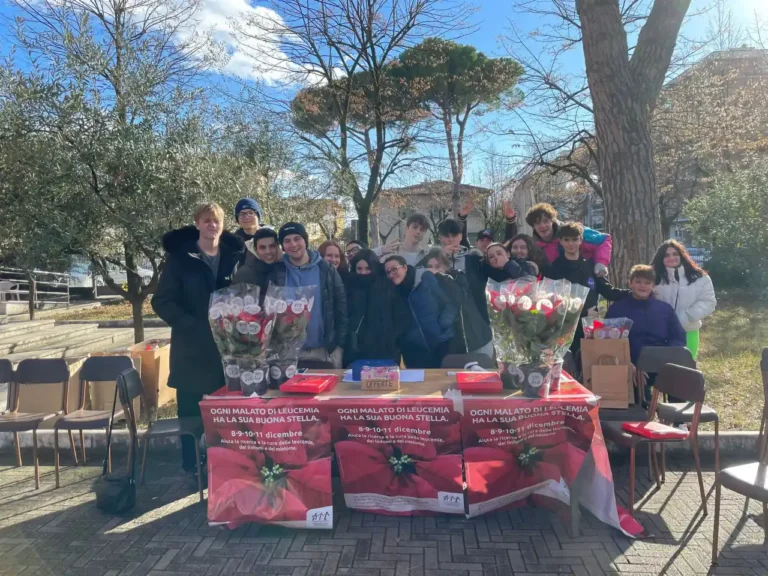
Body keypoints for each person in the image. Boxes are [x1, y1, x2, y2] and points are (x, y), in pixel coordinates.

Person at [151, 202, 244, 481]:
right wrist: (190, 324)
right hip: (191, 351)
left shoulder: (234, 257)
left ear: (222, 225)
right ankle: (192, 467)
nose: (211, 226)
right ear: (197, 224)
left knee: (227, 414)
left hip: (228, 351)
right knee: (192, 412)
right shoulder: (181, 258)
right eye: (206, 221)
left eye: (216, 221)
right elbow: (162, 301)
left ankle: (226, 466)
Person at [262, 222, 348, 368]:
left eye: (297, 239)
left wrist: (338, 346)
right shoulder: (277, 272)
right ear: (282, 246)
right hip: (287, 353)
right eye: (287, 241)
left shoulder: (326, 270)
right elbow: (267, 311)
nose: (293, 244)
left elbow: (341, 307)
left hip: (324, 351)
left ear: (305, 241)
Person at [548, 222, 630, 355]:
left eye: (575, 239)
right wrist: (584, 313)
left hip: (590, 328)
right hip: (564, 330)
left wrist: (634, 293)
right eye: (567, 240)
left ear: (581, 240)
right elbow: (553, 304)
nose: (571, 244)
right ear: (560, 242)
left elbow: (609, 291)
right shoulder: (554, 269)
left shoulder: (591, 266)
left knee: (589, 368)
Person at [436, 218, 533, 324]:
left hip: (475, 319)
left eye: (454, 235)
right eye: (447, 236)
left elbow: (503, 278)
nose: (451, 240)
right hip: (445, 318)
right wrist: (440, 260)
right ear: (441, 238)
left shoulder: (475, 260)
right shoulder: (432, 259)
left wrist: (507, 263)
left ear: (460, 236)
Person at [606, 265, 687, 366]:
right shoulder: (616, 310)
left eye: (647, 283)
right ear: (630, 283)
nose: (643, 286)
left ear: (653, 286)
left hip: (661, 366)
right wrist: (626, 363)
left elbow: (678, 338)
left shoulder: (665, 309)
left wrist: (666, 359)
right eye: (638, 282)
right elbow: (607, 342)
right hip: (626, 366)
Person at [385, 255, 457, 368]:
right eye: (388, 272)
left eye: (394, 269)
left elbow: (448, 302)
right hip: (415, 350)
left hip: (442, 343)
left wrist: (443, 324)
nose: (391, 274)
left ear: (405, 267)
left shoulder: (425, 279)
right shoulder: (393, 293)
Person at [651, 240, 716, 359]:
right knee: (662, 369)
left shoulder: (700, 277)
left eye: (675, 254)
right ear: (661, 258)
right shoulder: (653, 278)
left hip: (688, 330)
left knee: (687, 369)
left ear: (681, 255)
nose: (671, 257)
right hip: (661, 333)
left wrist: (688, 316)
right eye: (666, 255)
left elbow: (709, 301)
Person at [424, 248, 494, 359]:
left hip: (478, 341)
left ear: (446, 267)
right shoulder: (427, 287)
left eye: (437, 267)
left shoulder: (457, 277)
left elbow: (459, 298)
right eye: (430, 267)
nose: (433, 271)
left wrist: (441, 277)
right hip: (452, 349)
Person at [345, 249, 410, 365]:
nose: (363, 273)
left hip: (384, 350)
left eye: (367, 268)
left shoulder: (386, 286)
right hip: (355, 350)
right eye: (359, 269)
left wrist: (391, 339)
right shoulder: (348, 286)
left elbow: (401, 316)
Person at [525, 202, 612, 275]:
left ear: (552, 221)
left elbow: (603, 240)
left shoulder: (572, 231)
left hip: (585, 279)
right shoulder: (533, 246)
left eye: (545, 221)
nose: (542, 226)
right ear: (533, 226)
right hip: (558, 286)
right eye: (537, 223)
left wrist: (600, 263)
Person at [232, 228, 281, 300]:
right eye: (262, 248)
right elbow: (236, 303)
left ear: (278, 246)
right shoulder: (245, 273)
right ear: (256, 249)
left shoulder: (284, 266)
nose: (268, 251)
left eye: (272, 246)